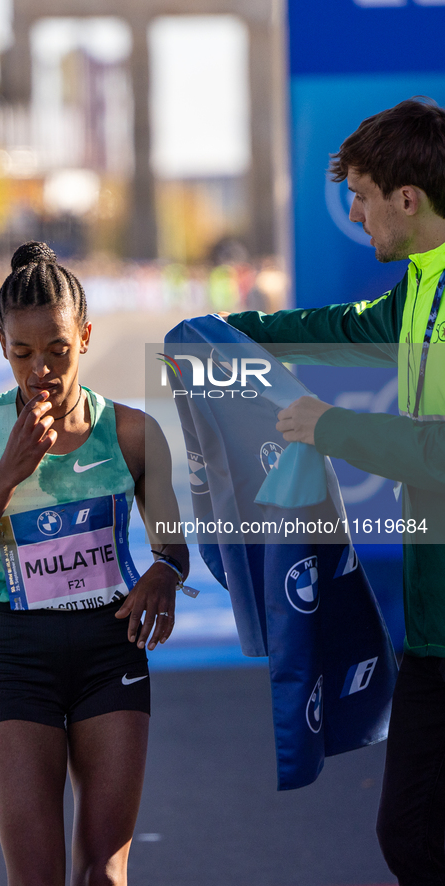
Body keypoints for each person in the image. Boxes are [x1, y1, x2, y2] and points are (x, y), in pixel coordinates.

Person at [221, 97, 445, 885]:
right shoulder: (418, 285)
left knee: (415, 836)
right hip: (431, 627)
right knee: (410, 837)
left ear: (406, 200)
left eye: (360, 195)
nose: (354, 214)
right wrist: (232, 332)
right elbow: (349, 323)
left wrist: (329, 427)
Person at [0, 241, 188, 886]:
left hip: (110, 646)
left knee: (103, 873)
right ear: (0, 344)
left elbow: (173, 543)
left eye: (58, 350)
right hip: (18, 653)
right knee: (36, 878)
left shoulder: (130, 431)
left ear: (86, 336)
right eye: (22, 353)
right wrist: (7, 473)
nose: (40, 369)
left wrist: (165, 573)